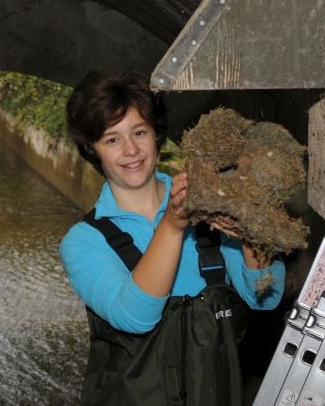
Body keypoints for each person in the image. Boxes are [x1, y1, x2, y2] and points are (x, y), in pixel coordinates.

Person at [59, 71, 285, 405]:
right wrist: (174, 224)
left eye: (139, 132)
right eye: (112, 139)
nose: (131, 150)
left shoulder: (207, 207)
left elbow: (265, 296)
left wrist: (250, 226)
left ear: (157, 135)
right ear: (92, 150)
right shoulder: (84, 241)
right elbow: (134, 317)